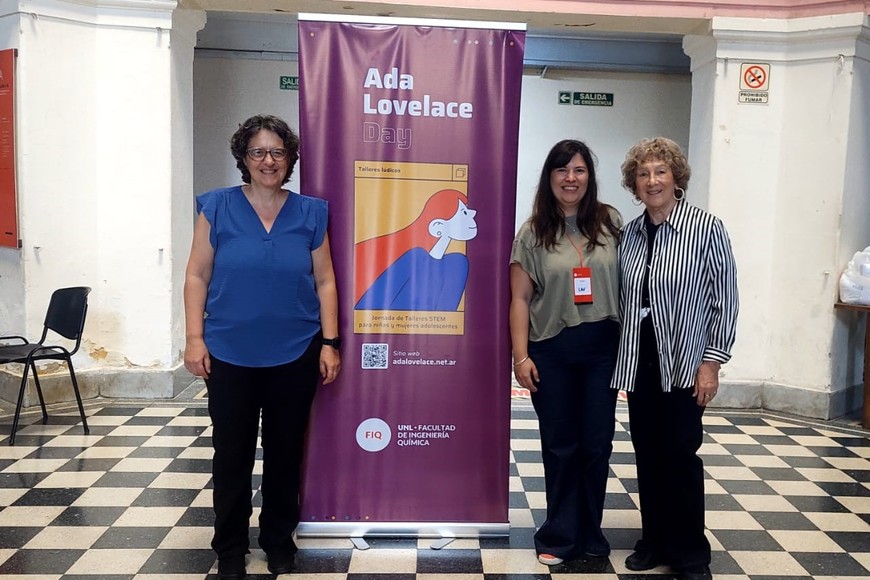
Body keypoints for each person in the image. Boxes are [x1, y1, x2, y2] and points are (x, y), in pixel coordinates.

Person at [183, 114, 341, 580]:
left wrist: (330, 343)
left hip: (295, 351)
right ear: (243, 158)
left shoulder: (311, 212)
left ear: (290, 159)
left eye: (277, 152)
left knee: (285, 452)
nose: (268, 160)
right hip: (228, 352)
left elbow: (326, 280)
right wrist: (194, 338)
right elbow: (196, 274)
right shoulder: (216, 207)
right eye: (258, 152)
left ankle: (277, 541)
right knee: (230, 454)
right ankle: (230, 547)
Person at [611, 137, 738, 580]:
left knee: (681, 456)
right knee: (648, 454)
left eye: (660, 171)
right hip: (642, 362)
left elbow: (724, 297)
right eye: (643, 174)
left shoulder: (706, 227)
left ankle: (689, 553)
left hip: (684, 363)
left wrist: (712, 362)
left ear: (676, 177)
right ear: (634, 183)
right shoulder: (629, 233)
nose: (652, 181)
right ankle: (654, 540)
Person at [509, 139, 622, 566]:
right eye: (562, 170)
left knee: (596, 444)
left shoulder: (611, 222)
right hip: (551, 351)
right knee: (560, 445)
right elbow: (519, 300)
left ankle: (590, 531)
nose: (570, 178)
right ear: (549, 178)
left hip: (602, 351)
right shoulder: (533, 231)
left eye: (578, 170)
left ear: (589, 176)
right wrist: (521, 357)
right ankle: (559, 533)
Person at [354, 188, 477, 311]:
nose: (473, 213)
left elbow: (447, 314)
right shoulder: (414, 257)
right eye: (464, 212)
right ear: (438, 226)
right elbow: (370, 302)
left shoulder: (458, 263)